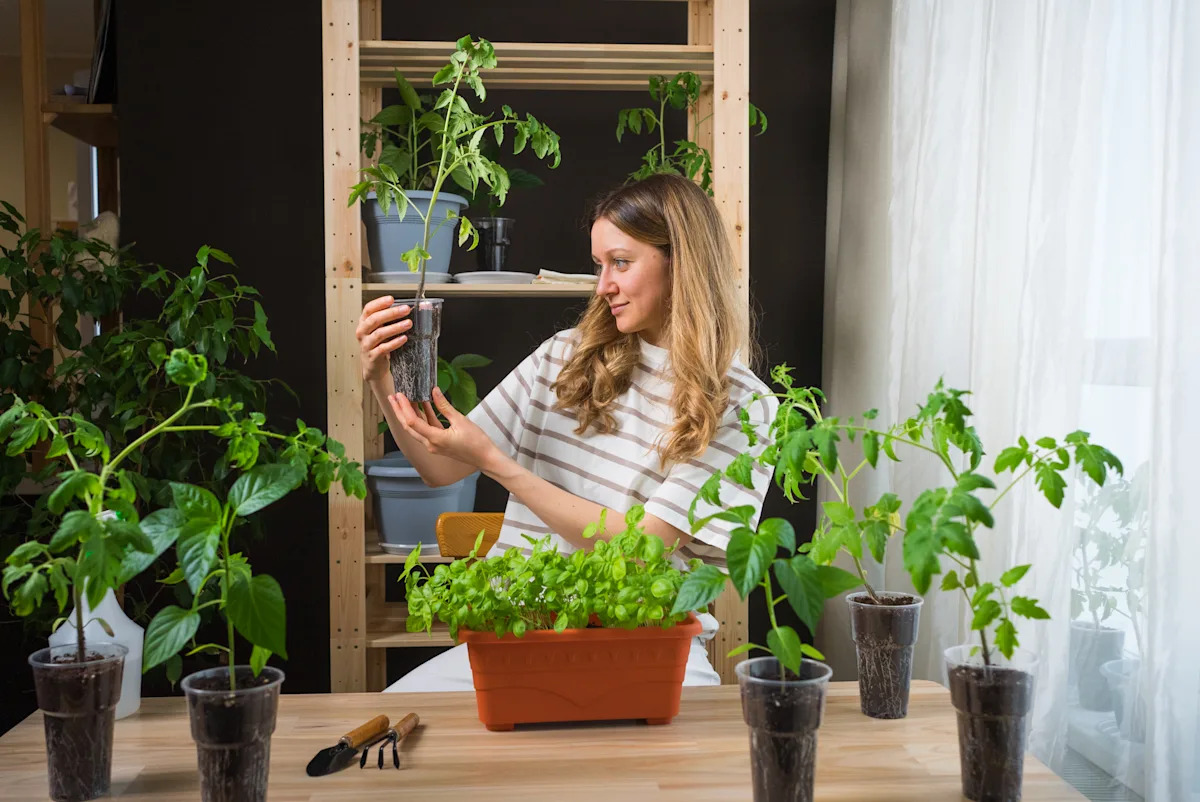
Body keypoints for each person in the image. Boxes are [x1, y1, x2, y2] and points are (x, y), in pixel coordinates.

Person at [355, 173, 778, 692]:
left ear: (682, 263)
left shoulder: (742, 403)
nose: (603, 286)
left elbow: (637, 554)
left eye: (620, 262)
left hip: (651, 643)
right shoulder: (566, 355)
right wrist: (381, 378)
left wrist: (497, 464)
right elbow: (439, 468)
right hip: (520, 632)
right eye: (600, 265)